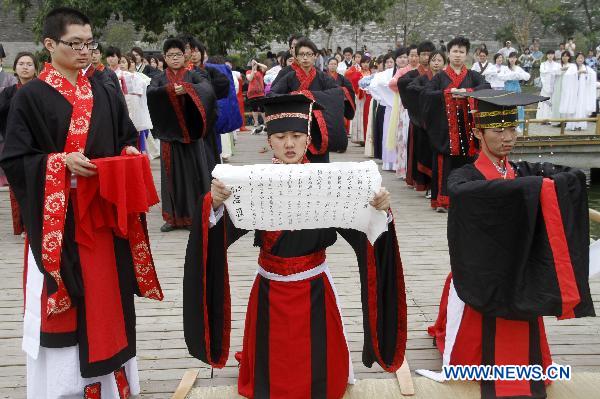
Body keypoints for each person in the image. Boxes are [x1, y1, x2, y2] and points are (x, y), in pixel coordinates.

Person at [183, 93, 407, 399]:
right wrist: (215, 205)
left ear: (307, 140)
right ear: (270, 141)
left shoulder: (329, 182)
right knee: (272, 368)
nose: (289, 144)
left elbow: (367, 230)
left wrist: (380, 208)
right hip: (268, 289)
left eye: (297, 136)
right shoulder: (251, 183)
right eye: (280, 136)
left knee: (320, 376)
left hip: (314, 287)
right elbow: (217, 234)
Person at [0, 7, 164, 398]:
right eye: (75, 44)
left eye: (89, 43)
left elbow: (125, 136)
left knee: (110, 296)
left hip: (104, 215)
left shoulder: (104, 90)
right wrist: (59, 163)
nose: (84, 51)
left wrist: (127, 152)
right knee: (70, 303)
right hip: (61, 221)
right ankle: (67, 388)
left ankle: (113, 381)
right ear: (49, 45)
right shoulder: (31, 97)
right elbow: (15, 160)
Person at [425, 89, 594, 399]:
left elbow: (566, 179)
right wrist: (527, 190)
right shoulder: (465, 177)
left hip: (519, 276)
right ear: (478, 131)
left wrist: (534, 187)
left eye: (513, 129)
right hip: (480, 275)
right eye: (498, 130)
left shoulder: (520, 172)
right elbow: (465, 195)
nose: (508, 137)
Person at [147, 38, 218, 232]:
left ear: (184, 55)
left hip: (192, 134)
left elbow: (208, 90)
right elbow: (151, 93)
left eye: (178, 54)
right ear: (164, 58)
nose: (174, 58)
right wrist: (170, 90)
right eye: (170, 55)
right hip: (169, 135)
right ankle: (173, 218)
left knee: (195, 175)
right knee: (171, 177)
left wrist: (187, 89)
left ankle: (195, 216)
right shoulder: (159, 79)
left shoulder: (194, 75)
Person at [421, 36, 491, 211]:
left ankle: (468, 199)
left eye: (461, 52)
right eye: (454, 51)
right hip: (446, 131)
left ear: (467, 55)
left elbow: (486, 87)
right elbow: (426, 94)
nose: (458, 55)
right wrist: (448, 93)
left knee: (469, 163)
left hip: (468, 130)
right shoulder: (440, 78)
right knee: (445, 164)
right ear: (448, 53)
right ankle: (443, 201)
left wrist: (468, 92)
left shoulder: (474, 76)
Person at [270, 37, 350, 162]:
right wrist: (295, 98)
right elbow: (272, 94)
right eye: (301, 54)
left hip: (318, 127)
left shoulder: (323, 77)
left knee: (319, 167)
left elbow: (337, 93)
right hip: (294, 127)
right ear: (296, 57)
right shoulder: (289, 76)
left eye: (309, 54)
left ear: (315, 56)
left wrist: (309, 95)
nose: (305, 58)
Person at [0, 52, 38, 234]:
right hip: (14, 145)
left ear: (35, 68)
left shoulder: (42, 90)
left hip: (37, 145)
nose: (25, 67)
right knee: (17, 188)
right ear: (15, 68)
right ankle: (23, 225)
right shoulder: (8, 92)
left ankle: (35, 224)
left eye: (29, 64)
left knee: (36, 186)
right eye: (21, 63)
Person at [405, 50, 447, 195]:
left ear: (444, 63)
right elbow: (410, 88)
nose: (436, 63)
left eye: (439, 60)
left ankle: (438, 187)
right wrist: (429, 93)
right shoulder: (423, 78)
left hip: (442, 123)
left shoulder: (446, 79)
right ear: (429, 63)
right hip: (425, 123)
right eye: (434, 60)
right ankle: (429, 185)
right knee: (426, 153)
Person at [397, 41, 435, 190]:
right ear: (418, 56)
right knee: (417, 147)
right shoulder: (412, 75)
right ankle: (419, 180)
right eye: (423, 54)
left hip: (434, 118)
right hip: (417, 118)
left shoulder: (438, 75)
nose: (426, 57)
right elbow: (402, 83)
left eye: (428, 54)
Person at [561, 52, 597, 131]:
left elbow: (593, 74)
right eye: (579, 58)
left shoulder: (586, 67)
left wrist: (587, 73)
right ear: (576, 59)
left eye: (582, 58)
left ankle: (580, 125)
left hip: (582, 92)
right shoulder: (572, 67)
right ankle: (572, 125)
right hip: (574, 92)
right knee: (574, 107)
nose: (580, 59)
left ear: (584, 59)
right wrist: (578, 72)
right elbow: (567, 76)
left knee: (581, 107)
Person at [326, 57, 356, 143]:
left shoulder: (342, 78)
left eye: (334, 64)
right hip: (326, 104)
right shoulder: (323, 76)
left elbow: (349, 89)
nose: (333, 66)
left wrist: (342, 90)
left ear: (337, 65)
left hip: (339, 105)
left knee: (340, 124)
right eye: (331, 64)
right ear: (327, 65)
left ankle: (339, 143)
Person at [346, 54, 372, 146]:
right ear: (361, 63)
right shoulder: (358, 73)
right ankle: (359, 137)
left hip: (369, 97)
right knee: (359, 115)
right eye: (364, 62)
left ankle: (366, 137)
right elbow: (352, 80)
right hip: (360, 97)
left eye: (367, 63)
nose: (365, 64)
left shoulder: (372, 73)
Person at [505, 52, 531, 131]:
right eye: (511, 58)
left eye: (514, 58)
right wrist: (511, 76)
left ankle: (518, 125)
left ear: (516, 59)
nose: (512, 59)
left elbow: (527, 76)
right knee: (508, 106)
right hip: (507, 88)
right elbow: (500, 77)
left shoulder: (518, 68)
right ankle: (508, 124)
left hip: (516, 88)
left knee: (518, 107)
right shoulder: (505, 68)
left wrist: (519, 75)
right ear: (508, 59)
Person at [551, 51, 576, 124]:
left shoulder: (572, 65)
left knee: (566, 100)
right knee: (558, 101)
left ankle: (566, 121)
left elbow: (574, 73)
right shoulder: (558, 65)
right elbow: (553, 72)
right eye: (563, 56)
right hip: (559, 85)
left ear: (569, 57)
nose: (565, 57)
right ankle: (557, 121)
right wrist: (562, 69)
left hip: (568, 86)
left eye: (566, 56)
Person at [536, 50, 560, 120]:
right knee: (545, 102)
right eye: (549, 54)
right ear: (546, 55)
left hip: (554, 86)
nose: (550, 56)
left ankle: (552, 118)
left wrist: (552, 72)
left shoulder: (557, 65)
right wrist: (552, 72)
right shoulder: (543, 64)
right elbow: (542, 72)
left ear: (554, 55)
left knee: (553, 102)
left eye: (552, 54)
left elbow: (559, 73)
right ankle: (543, 118)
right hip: (545, 86)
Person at [246, 59, 268, 134]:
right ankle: (256, 122)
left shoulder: (260, 72)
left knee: (263, 108)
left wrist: (257, 63)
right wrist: (253, 68)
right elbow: (250, 78)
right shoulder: (248, 72)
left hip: (260, 93)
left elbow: (265, 67)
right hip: (252, 93)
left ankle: (265, 122)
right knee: (254, 108)